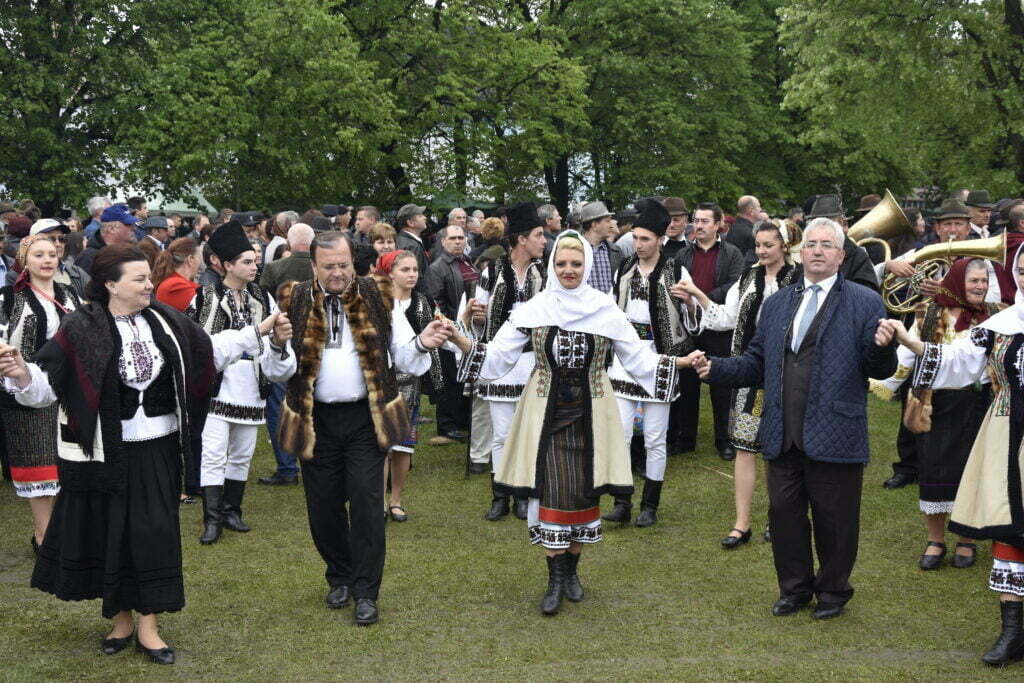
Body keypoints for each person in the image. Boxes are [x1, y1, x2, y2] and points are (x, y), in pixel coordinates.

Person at [450, 231, 699, 615]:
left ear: (586, 267)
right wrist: (461, 340)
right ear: (553, 265)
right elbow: (498, 358)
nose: (569, 270)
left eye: (577, 264)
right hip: (545, 416)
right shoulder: (535, 309)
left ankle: (571, 572)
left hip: (593, 415)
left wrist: (678, 363)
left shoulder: (604, 309)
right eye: (562, 264)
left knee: (584, 493)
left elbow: (638, 359)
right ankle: (553, 578)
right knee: (551, 492)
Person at [0, 245, 217, 664]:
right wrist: (23, 374)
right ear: (111, 285)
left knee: (154, 533)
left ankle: (149, 626)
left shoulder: (165, 320)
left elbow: (207, 352)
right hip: (103, 452)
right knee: (112, 533)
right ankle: (120, 620)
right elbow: (48, 384)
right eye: (139, 279)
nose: (149, 285)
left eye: (147, 278)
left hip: (158, 446)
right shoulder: (81, 327)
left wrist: (259, 336)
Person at [694, 217, 898, 621]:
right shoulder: (777, 304)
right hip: (782, 431)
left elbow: (878, 368)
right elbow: (756, 363)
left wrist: (882, 347)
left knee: (835, 520)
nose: (818, 250)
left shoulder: (864, 301)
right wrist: (715, 368)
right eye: (811, 244)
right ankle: (794, 589)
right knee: (784, 517)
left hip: (836, 431)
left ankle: (833, 592)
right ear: (800, 252)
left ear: (841, 256)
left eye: (827, 245)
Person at [275, 231, 451, 626]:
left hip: (365, 418)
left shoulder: (377, 294)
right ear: (314, 266)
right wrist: (274, 346)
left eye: (343, 265)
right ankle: (339, 576)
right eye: (329, 267)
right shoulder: (295, 297)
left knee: (368, 505)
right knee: (323, 506)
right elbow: (280, 369)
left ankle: (367, 591)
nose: (337, 274)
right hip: (314, 419)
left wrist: (423, 342)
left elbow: (404, 354)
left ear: (353, 262)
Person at [888, 244, 1024, 665]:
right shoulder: (1003, 322)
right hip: (1005, 433)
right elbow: (959, 360)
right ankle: (1013, 632)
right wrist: (908, 339)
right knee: (1009, 526)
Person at [679, 220, 800, 547]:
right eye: (758, 245)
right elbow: (723, 317)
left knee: (780, 453)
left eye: (768, 245)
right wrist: (696, 296)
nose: (761, 251)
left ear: (784, 247)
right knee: (745, 448)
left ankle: (781, 520)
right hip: (749, 373)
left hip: (788, 377)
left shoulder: (800, 278)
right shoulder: (748, 277)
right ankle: (741, 524)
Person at [873, 258, 996, 569]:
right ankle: (936, 539)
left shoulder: (995, 315)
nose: (980, 286)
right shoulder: (929, 313)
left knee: (971, 474)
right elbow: (907, 352)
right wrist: (882, 381)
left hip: (977, 406)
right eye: (973, 281)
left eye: (983, 280)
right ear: (956, 281)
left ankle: (966, 540)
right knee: (933, 470)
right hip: (934, 405)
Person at [190, 222, 296, 545]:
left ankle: (232, 510)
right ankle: (212, 517)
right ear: (225, 264)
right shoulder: (205, 296)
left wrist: (279, 340)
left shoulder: (263, 296)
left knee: (241, 453)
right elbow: (201, 346)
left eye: (255, 260)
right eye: (247, 261)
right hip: (218, 386)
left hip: (252, 383)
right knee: (213, 452)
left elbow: (277, 342)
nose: (254, 266)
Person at [604, 198, 696, 527]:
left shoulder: (675, 268)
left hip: (660, 357)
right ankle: (622, 501)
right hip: (626, 358)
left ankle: (650, 505)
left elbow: (690, 318)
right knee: (622, 432)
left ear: (659, 239)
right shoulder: (624, 268)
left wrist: (689, 303)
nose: (639, 244)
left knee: (656, 436)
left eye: (646, 239)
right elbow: (614, 311)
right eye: (636, 238)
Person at [459, 202, 547, 522]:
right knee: (501, 434)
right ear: (522, 239)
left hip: (533, 363)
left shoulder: (543, 274)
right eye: (539, 235)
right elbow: (476, 317)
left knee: (528, 432)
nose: (543, 241)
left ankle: (524, 493)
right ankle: (500, 494)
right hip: (499, 362)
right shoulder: (492, 272)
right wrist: (475, 315)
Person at [0, 234, 82, 553]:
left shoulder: (70, 294)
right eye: (39, 255)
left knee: (64, 464)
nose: (47, 260)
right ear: (24, 260)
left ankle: (60, 534)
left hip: (67, 391)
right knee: (37, 465)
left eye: (51, 254)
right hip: (23, 390)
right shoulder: (10, 297)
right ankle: (43, 537)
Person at [670, 202, 745, 460]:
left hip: (719, 327)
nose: (698, 226)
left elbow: (734, 283)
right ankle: (686, 439)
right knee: (688, 385)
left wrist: (703, 298)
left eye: (704, 221)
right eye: (696, 220)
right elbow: (676, 284)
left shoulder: (733, 253)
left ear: (717, 224)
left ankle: (724, 440)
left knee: (721, 386)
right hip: (690, 328)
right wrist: (686, 299)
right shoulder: (683, 254)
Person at [376, 250, 444, 521]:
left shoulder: (422, 301)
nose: (412, 274)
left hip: (410, 383)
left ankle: (396, 500)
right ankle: (378, 500)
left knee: (404, 445)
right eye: (405, 269)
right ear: (390, 272)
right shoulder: (378, 302)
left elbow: (436, 333)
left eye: (415, 269)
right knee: (382, 445)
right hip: (381, 383)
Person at [425, 225, 477, 443]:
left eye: (461, 238)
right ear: (443, 241)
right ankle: (446, 425)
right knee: (448, 379)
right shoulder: (437, 268)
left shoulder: (466, 261)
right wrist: (449, 328)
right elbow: (434, 301)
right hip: (449, 330)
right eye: (453, 238)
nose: (458, 241)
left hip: (471, 328)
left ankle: (462, 419)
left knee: (465, 376)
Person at [9, 219, 90, 299]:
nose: (58, 244)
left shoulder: (77, 273)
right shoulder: (16, 276)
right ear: (33, 242)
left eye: (62, 239)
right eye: (51, 239)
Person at [77, 204, 140, 274]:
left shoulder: (127, 251)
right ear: (112, 229)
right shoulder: (89, 258)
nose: (134, 228)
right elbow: (82, 284)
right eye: (128, 224)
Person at [259, 223, 314, 301]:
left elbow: (263, 299)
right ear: (313, 241)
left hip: (282, 312)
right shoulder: (323, 267)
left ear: (288, 242)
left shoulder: (273, 268)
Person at [152, 238, 203, 312]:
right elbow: (208, 314)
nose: (200, 264)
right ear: (190, 259)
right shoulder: (175, 285)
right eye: (199, 258)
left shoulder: (177, 282)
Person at [395, 204, 429, 289]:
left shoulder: (401, 240)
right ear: (410, 222)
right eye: (420, 215)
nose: (425, 218)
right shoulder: (412, 246)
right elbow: (416, 279)